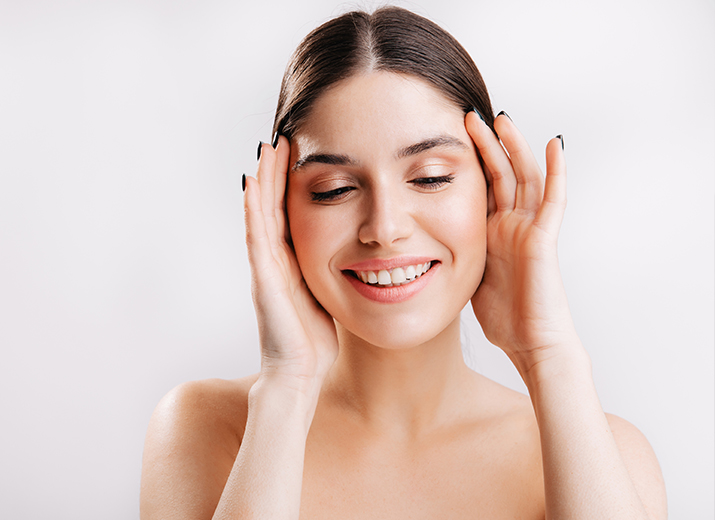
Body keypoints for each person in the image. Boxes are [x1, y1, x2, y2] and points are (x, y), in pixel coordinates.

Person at [140, 6, 667, 519]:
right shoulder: (207, 430)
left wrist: (549, 355)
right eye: (334, 188)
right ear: (279, 210)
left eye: (431, 177)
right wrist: (287, 385)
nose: (385, 227)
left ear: (493, 192)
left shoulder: (608, 455)